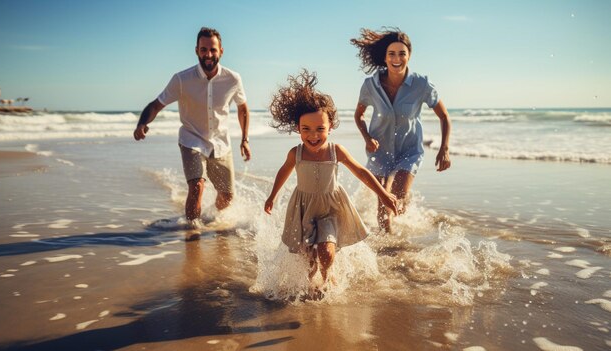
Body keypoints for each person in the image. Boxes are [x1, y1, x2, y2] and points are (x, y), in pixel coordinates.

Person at [264, 70, 399, 288]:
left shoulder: (336, 151)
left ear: (330, 128)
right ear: (298, 128)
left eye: (320, 129)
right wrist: (272, 196)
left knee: (326, 252)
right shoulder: (295, 153)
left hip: (330, 208)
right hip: (304, 207)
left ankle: (328, 280)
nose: (313, 135)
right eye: (306, 129)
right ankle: (310, 287)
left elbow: (362, 172)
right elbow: (284, 172)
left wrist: (383, 194)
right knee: (308, 258)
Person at [133, 27, 251, 228]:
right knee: (197, 186)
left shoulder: (233, 79)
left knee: (227, 197)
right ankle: (192, 231)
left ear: (221, 51)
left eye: (213, 50)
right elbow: (156, 104)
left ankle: (209, 217)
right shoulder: (181, 79)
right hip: (191, 139)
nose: (208, 54)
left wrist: (245, 140)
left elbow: (243, 109)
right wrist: (142, 123)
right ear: (196, 50)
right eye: (204, 49)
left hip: (221, 143)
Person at [350, 27, 452, 233]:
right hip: (379, 151)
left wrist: (445, 149)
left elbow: (444, 116)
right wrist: (367, 138)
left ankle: (402, 214)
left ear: (409, 56)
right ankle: (389, 248)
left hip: (409, 150)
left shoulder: (421, 84)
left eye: (402, 53)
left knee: (398, 196)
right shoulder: (371, 85)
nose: (397, 58)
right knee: (383, 203)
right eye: (392, 54)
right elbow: (358, 115)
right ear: (385, 57)